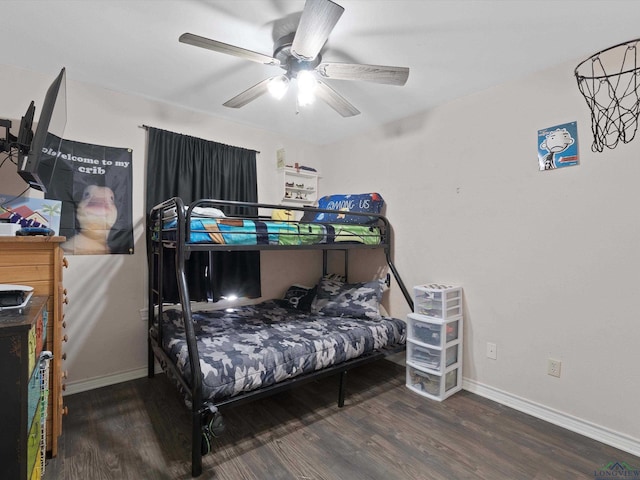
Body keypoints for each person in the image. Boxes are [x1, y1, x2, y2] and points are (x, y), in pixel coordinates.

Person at [62, 184, 118, 254]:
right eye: (87, 195)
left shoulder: (110, 253)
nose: (99, 201)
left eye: (111, 198)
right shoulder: (69, 249)